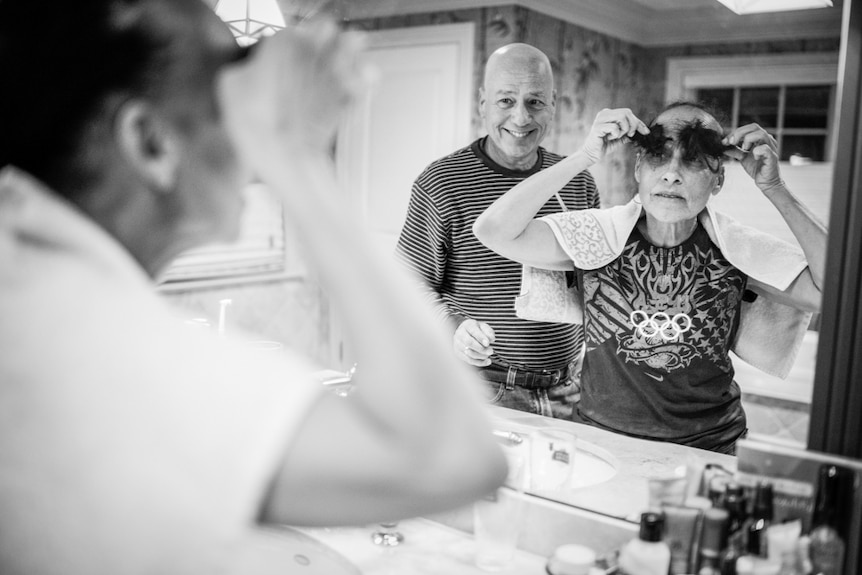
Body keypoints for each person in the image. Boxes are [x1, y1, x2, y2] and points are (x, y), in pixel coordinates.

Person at [0, 1, 508, 573]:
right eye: (228, 99)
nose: (248, 143)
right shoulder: (97, 350)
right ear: (151, 143)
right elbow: (455, 455)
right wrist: (293, 150)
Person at [473, 103, 826, 454]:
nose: (672, 174)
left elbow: (832, 292)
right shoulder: (598, 236)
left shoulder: (736, 248)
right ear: (638, 167)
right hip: (601, 443)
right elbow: (494, 230)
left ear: (718, 179)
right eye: (658, 157)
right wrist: (584, 155)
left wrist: (775, 186)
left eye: (692, 161)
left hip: (710, 448)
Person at [395, 43, 600, 420]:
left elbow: (596, 280)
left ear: (553, 103)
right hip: (482, 390)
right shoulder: (442, 182)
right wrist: (453, 328)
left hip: (573, 389)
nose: (520, 118)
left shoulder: (578, 183)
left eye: (535, 102)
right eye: (506, 100)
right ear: (482, 102)